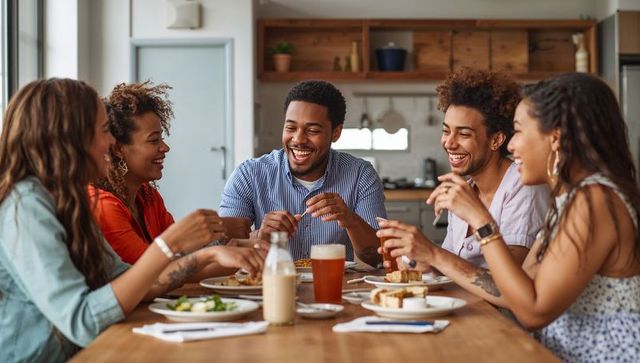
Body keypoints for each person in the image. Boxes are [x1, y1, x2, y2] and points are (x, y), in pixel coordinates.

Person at [381, 73, 640, 361]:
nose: (512, 145)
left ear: (554, 138)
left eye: (518, 131)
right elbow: (513, 291)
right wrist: (433, 255)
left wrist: (481, 222)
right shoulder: (570, 202)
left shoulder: (595, 201)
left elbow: (532, 312)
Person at [0, 79, 259, 362]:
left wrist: (210, 255)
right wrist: (167, 245)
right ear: (70, 138)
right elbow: (82, 322)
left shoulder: (68, 201)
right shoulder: (25, 206)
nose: (111, 141)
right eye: (103, 131)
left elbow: (133, 282)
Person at [91, 81, 265, 280]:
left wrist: (246, 245)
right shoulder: (105, 206)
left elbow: (181, 255)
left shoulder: (148, 195)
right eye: (154, 140)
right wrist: (224, 242)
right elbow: (153, 275)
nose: (165, 147)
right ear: (118, 149)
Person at [379, 68, 549, 271]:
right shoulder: (463, 189)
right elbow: (451, 267)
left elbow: (510, 278)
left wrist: (433, 254)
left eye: (464, 134)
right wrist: (423, 263)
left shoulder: (522, 186)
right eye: (446, 131)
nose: (449, 143)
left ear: (496, 139)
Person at [219, 80, 386, 266]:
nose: (298, 140)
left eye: (312, 130)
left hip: (333, 288)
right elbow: (222, 250)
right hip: (269, 286)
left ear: (336, 133)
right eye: (290, 128)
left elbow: (378, 258)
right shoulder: (249, 175)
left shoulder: (360, 175)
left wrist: (351, 220)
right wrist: (259, 235)